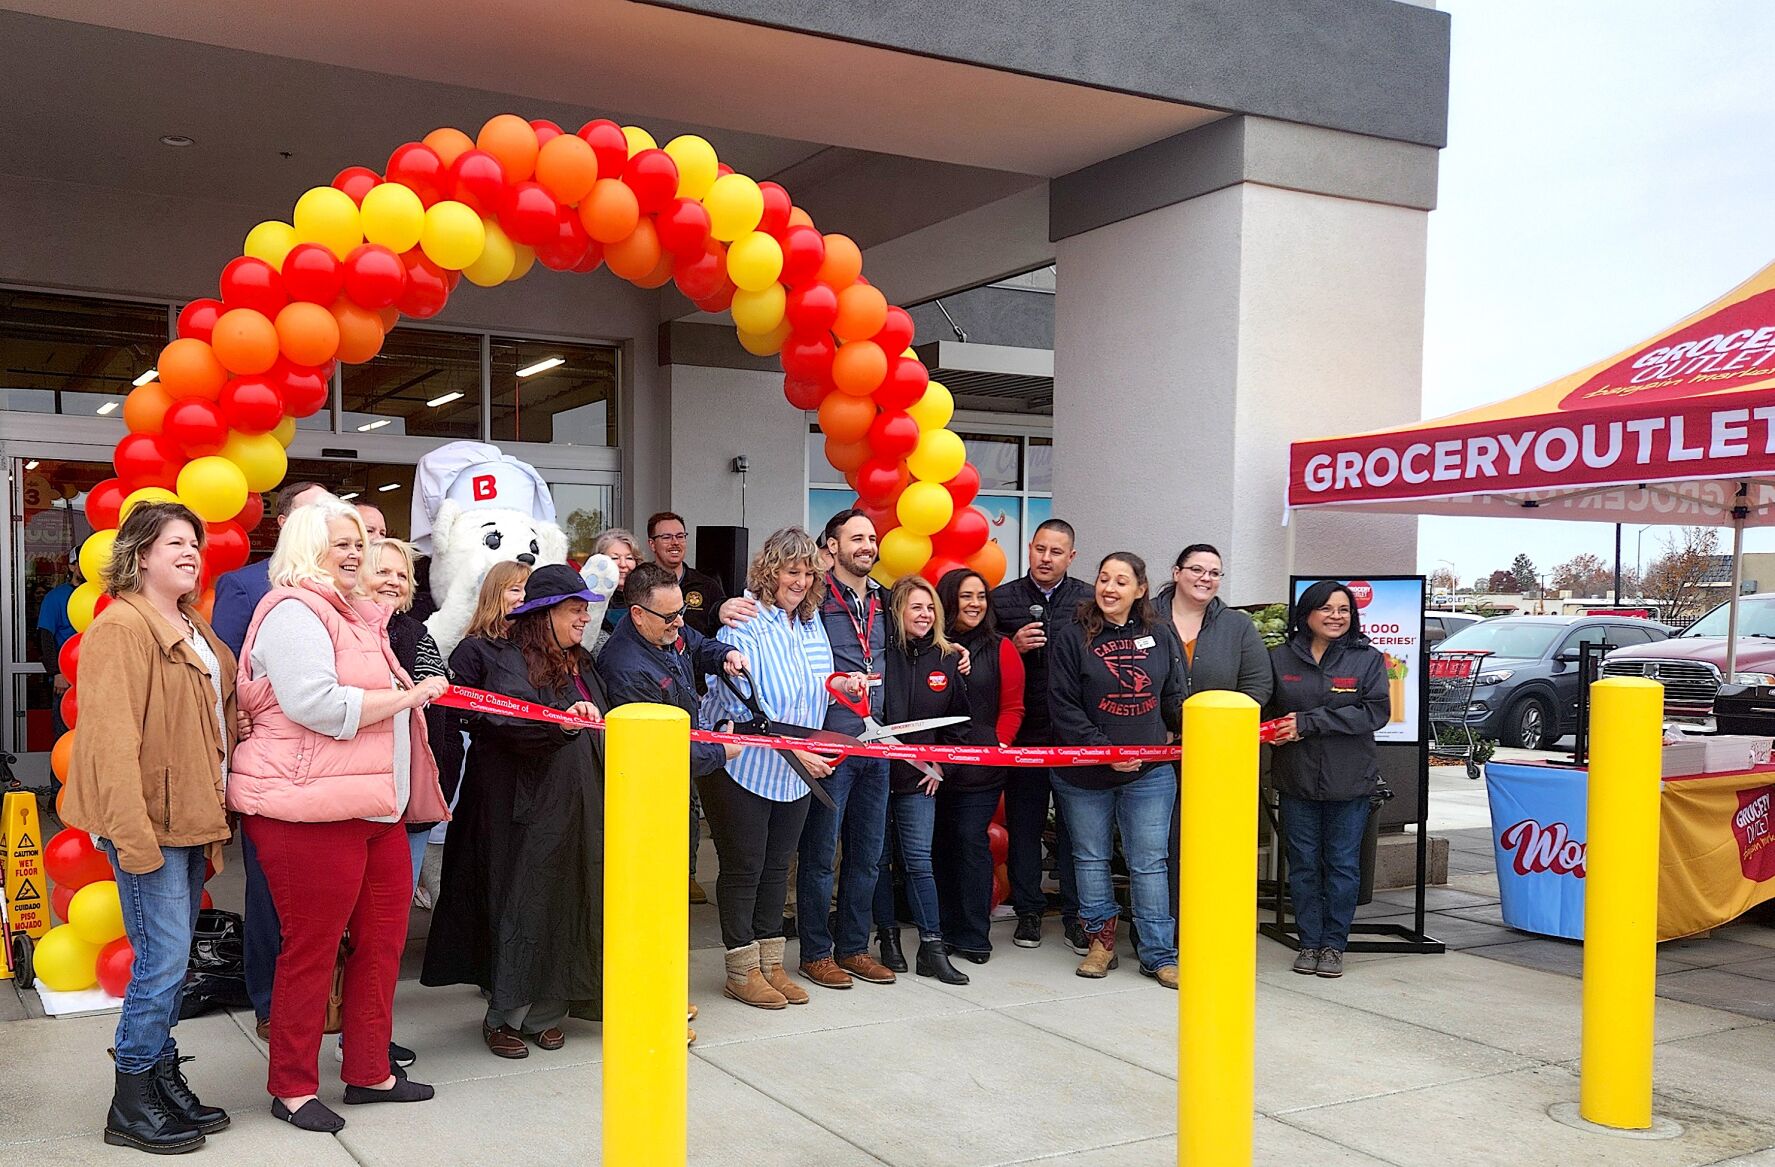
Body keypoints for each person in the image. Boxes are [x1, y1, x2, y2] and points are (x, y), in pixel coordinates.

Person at [227, 494, 450, 1133]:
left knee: (381, 942)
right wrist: (406, 696)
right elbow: (316, 704)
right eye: (342, 542)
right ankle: (293, 1087)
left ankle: (370, 1070)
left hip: (371, 807)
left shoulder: (357, 616)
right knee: (313, 949)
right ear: (305, 546)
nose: (356, 553)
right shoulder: (294, 610)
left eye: (360, 542)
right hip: (305, 811)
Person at [61, 502, 236, 1155]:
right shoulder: (121, 627)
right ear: (139, 554)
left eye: (194, 542)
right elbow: (108, 743)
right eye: (174, 543)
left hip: (189, 816)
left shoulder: (188, 622)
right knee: (160, 964)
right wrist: (133, 839)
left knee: (170, 960)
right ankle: (131, 1100)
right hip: (149, 824)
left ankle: (160, 1081)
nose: (190, 551)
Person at [440, 564, 611, 1057]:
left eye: (585, 609)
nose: (584, 617)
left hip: (580, 805)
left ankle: (546, 1014)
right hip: (523, 811)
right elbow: (508, 722)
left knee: (569, 903)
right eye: (574, 609)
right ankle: (504, 1017)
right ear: (545, 614)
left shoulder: (582, 662)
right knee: (523, 907)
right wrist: (562, 726)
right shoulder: (509, 659)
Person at [699, 527, 856, 1009]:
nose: (802, 581)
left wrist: (841, 687)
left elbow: (810, 688)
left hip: (796, 770)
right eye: (793, 571)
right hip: (744, 766)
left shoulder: (810, 624)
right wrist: (794, 748)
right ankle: (740, 969)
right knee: (744, 868)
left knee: (775, 868)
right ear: (771, 571)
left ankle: (770, 963)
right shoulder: (742, 623)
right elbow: (739, 709)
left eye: (809, 572)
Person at [596, 561, 747, 1043]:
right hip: (644, 803)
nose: (680, 623)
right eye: (669, 617)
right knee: (646, 905)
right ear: (636, 615)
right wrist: (719, 751)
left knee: (668, 901)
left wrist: (723, 654)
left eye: (682, 612)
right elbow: (662, 749)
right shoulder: (625, 666)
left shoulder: (669, 631)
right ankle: (648, 1007)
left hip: (673, 797)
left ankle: (663, 991)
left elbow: (697, 645)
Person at [208, 478, 328, 1041]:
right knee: (269, 890)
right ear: (285, 523)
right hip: (274, 768)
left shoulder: (346, 588)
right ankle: (266, 999)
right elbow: (224, 671)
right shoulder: (245, 584)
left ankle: (322, 1002)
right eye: (315, 513)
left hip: (334, 771)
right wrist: (241, 722)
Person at [1048, 552, 1186, 986]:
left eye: (1121, 581)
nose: (1109, 588)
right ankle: (1101, 944)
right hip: (1085, 774)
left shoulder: (1161, 635)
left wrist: (1188, 731)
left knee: (1150, 862)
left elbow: (1173, 697)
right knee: (1090, 859)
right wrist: (1104, 749)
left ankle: (1159, 954)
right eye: (1104, 578)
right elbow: (1063, 706)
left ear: (1140, 589)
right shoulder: (1072, 636)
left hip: (1149, 774)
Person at [419, 562, 535, 1001]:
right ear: (494, 595)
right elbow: (457, 711)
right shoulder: (472, 650)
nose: (521, 598)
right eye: (513, 590)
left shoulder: (532, 646)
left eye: (527, 590)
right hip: (481, 771)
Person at [1268, 580, 1389, 981]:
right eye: (1327, 608)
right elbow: (1264, 711)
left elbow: (1375, 713)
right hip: (1296, 778)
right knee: (1302, 865)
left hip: (1349, 780)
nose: (1336, 616)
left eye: (1344, 609)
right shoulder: (1278, 658)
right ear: (1306, 613)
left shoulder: (1367, 659)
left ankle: (1334, 945)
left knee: (1341, 865)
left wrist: (1311, 722)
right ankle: (1308, 942)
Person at [799, 509, 897, 989]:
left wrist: (954, 650)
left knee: (868, 854)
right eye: (856, 537)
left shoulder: (885, 598)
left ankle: (855, 948)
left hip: (875, 744)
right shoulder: (813, 596)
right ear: (832, 546)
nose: (867, 545)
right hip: (828, 742)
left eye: (872, 538)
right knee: (820, 855)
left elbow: (910, 649)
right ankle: (816, 953)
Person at [990, 519, 1090, 951]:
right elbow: (982, 658)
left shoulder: (1088, 599)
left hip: (1072, 734)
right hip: (1023, 732)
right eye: (1040, 549)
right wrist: (1012, 644)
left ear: (1071, 557)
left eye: (1056, 552)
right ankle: (1028, 911)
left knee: (1075, 828)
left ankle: (1075, 914)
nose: (1046, 559)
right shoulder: (1003, 599)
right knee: (1025, 827)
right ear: (1028, 549)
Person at [1156, 544, 1272, 910]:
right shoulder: (1145, 620)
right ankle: (1163, 929)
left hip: (1216, 757)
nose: (1205, 578)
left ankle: (1205, 921)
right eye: (1196, 569)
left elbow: (1257, 688)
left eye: (1214, 572)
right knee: (1159, 845)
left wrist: (1211, 729)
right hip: (1156, 755)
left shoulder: (1237, 626)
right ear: (1176, 573)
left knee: (1208, 843)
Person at [871, 576, 972, 985]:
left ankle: (932, 947)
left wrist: (943, 765)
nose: (924, 615)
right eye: (915, 607)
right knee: (876, 863)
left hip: (921, 781)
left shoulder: (948, 657)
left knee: (918, 863)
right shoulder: (880, 653)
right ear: (897, 611)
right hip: (875, 774)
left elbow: (960, 723)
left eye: (929, 608)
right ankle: (888, 941)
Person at [932, 568, 1024, 964]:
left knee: (970, 842)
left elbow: (1013, 707)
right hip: (933, 770)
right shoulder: (929, 645)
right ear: (948, 600)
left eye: (981, 596)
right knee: (938, 847)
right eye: (966, 596)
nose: (975, 604)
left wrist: (998, 744)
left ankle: (972, 936)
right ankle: (940, 931)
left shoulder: (1001, 646)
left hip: (982, 769)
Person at [365, 538, 452, 890]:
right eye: (382, 571)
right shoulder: (339, 630)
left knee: (392, 907)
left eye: (402, 575)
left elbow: (438, 715)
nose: (393, 581)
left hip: (410, 795)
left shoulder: (418, 634)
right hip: (357, 796)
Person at [646, 511, 727, 638]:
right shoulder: (640, 583)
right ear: (652, 544)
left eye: (680, 536)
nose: (675, 542)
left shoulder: (707, 586)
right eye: (667, 537)